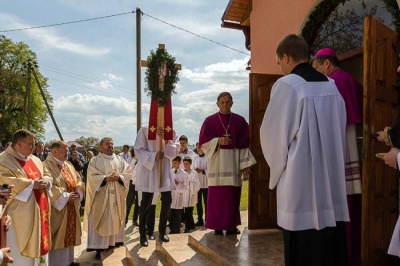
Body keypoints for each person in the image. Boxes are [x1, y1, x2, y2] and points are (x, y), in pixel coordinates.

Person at [260, 34, 349, 266]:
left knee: (302, 252)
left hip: (300, 185)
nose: (279, 68)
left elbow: (273, 136)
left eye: (279, 62)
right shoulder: (332, 87)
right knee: (330, 248)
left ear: (286, 57)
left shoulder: (287, 85)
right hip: (331, 183)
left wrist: (276, 171)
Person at [312, 47, 363, 266]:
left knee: (342, 203)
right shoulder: (352, 80)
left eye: (316, 68)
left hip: (340, 143)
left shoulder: (334, 83)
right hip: (352, 142)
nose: (316, 74)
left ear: (326, 64)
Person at [199, 92, 256, 235]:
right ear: (217, 104)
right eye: (222, 102)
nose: (225, 105)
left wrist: (245, 165)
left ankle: (231, 226)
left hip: (232, 164)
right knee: (217, 199)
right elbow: (203, 142)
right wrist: (218, 141)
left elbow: (244, 143)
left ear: (232, 103)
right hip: (216, 166)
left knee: (232, 197)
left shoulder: (239, 121)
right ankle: (217, 227)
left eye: (227, 102)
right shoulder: (209, 121)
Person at [0, 129, 52, 265]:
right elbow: (4, 180)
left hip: (40, 209)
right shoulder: (3, 160)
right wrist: (31, 184)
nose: (33, 147)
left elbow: (46, 172)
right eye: (30, 144)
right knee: (20, 257)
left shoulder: (34, 159)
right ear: (19, 144)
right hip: (19, 215)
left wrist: (47, 181)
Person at [83, 137, 132, 260]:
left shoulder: (120, 160)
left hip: (116, 197)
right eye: (107, 144)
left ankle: (114, 243)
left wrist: (119, 177)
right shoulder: (94, 160)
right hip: (101, 197)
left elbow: (128, 173)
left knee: (115, 218)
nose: (110, 146)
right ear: (101, 147)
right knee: (102, 220)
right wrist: (104, 178)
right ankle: (100, 247)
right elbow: (91, 176)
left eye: (111, 144)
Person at [134, 125, 180, 246]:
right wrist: (154, 156)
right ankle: (143, 234)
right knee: (146, 202)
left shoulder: (171, 131)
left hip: (164, 168)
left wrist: (166, 140)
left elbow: (173, 153)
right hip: (149, 169)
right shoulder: (144, 130)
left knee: (166, 200)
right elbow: (138, 149)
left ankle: (162, 231)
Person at [44, 141, 84, 266]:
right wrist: (66, 196)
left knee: (70, 233)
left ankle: (69, 261)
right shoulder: (46, 165)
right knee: (58, 236)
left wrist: (78, 191)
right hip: (58, 208)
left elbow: (78, 179)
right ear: (55, 152)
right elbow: (49, 185)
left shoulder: (68, 164)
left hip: (71, 204)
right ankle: (57, 263)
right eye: (65, 151)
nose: (68, 153)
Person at [169, 156, 188, 234]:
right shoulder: (170, 171)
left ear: (180, 163)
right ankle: (171, 229)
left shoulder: (184, 174)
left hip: (178, 197)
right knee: (170, 215)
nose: (173, 165)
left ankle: (176, 231)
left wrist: (177, 184)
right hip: (171, 196)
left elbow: (186, 187)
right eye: (172, 163)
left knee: (177, 215)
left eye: (175, 163)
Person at [182, 156, 200, 233]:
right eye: (184, 163)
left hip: (191, 194)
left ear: (190, 164)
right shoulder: (182, 172)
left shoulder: (194, 173)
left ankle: (187, 227)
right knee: (185, 211)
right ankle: (191, 225)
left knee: (189, 211)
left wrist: (189, 184)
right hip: (184, 194)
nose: (185, 165)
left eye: (187, 164)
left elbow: (197, 184)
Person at [193, 142, 208, 226]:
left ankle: (208, 219)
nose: (199, 149)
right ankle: (200, 219)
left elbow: (210, 169)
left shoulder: (208, 157)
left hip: (206, 184)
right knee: (198, 202)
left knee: (207, 202)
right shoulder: (195, 158)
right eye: (197, 147)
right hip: (198, 184)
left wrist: (202, 171)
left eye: (200, 147)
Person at [125, 147, 139, 226]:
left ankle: (135, 219)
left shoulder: (141, 159)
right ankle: (125, 219)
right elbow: (128, 168)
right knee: (129, 201)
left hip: (139, 182)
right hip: (131, 183)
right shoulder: (130, 159)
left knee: (138, 202)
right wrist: (134, 159)